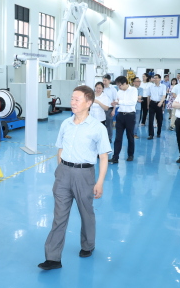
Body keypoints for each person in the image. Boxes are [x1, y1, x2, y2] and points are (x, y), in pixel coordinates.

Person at [39, 86, 111, 270]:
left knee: (86, 213)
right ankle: (53, 258)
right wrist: (59, 169)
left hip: (84, 174)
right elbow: (60, 148)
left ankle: (88, 244)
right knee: (59, 216)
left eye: (77, 100)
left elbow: (103, 157)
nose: (72, 102)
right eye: (72, 99)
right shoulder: (66, 124)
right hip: (64, 173)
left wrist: (100, 182)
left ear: (89, 103)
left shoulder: (97, 128)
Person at [109, 76, 138, 163]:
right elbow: (118, 103)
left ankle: (130, 155)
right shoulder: (119, 92)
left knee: (130, 136)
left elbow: (133, 102)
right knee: (118, 138)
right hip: (120, 115)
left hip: (130, 116)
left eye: (120, 85)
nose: (119, 87)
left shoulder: (133, 90)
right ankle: (115, 157)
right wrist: (115, 104)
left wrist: (119, 102)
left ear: (125, 83)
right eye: (118, 85)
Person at [147, 74, 166, 139]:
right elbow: (148, 96)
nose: (155, 79)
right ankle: (151, 134)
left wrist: (161, 102)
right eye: (154, 78)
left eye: (156, 78)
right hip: (152, 103)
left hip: (159, 104)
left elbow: (164, 95)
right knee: (150, 120)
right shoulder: (151, 86)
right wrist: (148, 105)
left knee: (159, 119)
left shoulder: (163, 86)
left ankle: (158, 132)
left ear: (160, 79)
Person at [101, 74, 118, 144]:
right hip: (101, 109)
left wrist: (114, 110)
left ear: (109, 81)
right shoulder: (101, 88)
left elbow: (115, 100)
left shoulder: (113, 89)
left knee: (109, 125)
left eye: (105, 80)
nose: (104, 82)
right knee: (101, 124)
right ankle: (101, 138)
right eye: (103, 80)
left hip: (109, 109)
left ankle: (109, 138)